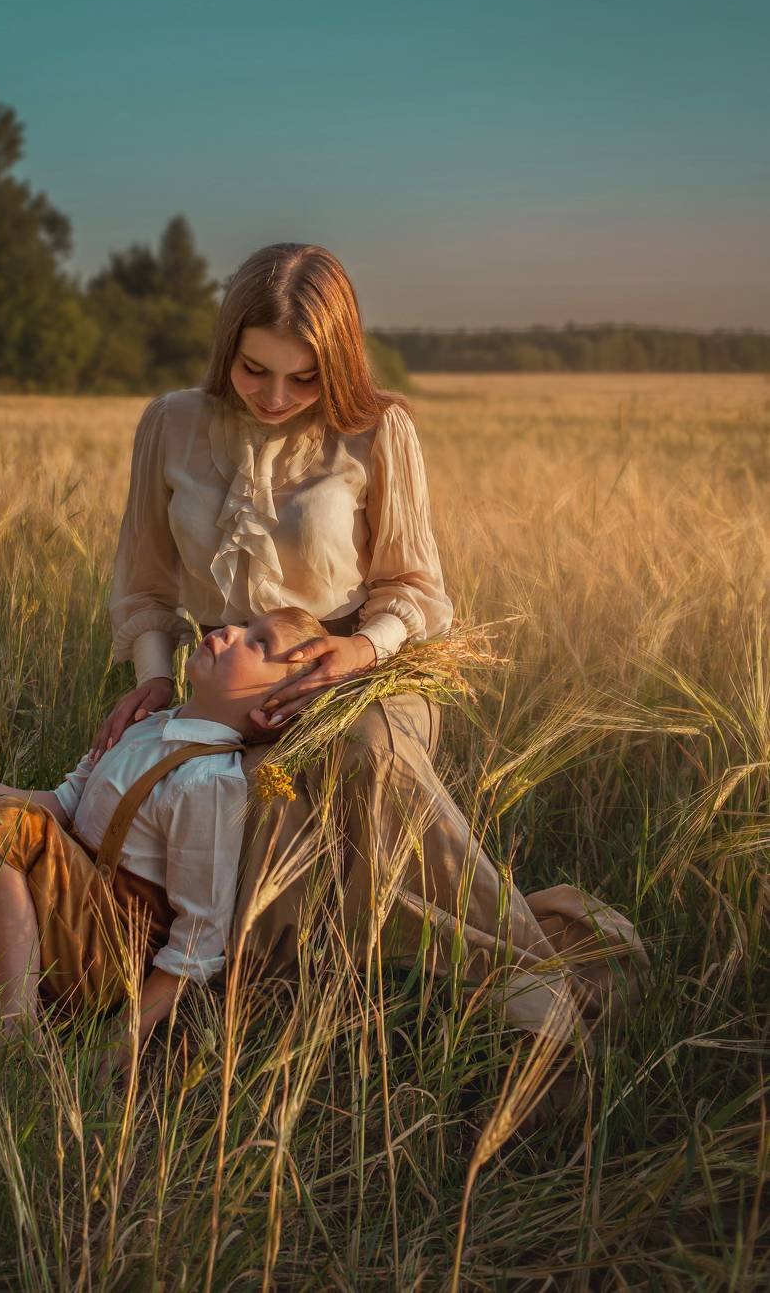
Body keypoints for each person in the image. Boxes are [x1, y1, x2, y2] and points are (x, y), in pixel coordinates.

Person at [91, 242, 647, 1049]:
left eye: (303, 376)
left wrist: (362, 654)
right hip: (226, 684)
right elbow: (143, 582)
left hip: (365, 669)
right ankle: (313, 988)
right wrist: (153, 681)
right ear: (226, 349)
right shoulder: (170, 422)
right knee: (230, 799)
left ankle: (524, 972)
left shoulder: (377, 429)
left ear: (338, 359)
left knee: (361, 754)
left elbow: (418, 589)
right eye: (254, 370)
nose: (276, 396)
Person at [0, 605, 330, 1076]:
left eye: (259, 644)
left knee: (3, 823)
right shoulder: (150, 725)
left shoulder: (208, 782)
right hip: (76, 914)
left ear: (271, 711)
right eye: (243, 624)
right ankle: (10, 977)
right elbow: (66, 801)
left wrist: (124, 1037)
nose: (230, 630)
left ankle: (12, 1017)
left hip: (110, 955)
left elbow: (201, 934)